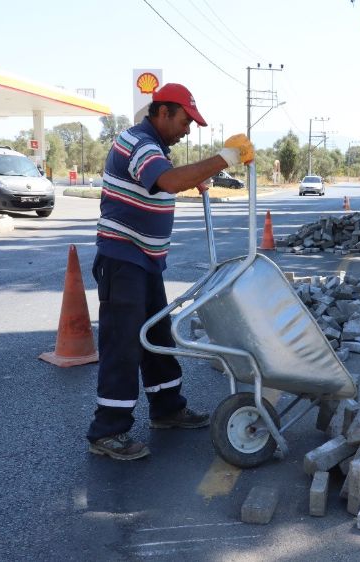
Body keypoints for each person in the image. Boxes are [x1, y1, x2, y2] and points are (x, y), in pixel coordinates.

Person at [88, 83, 255, 461]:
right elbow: (167, 180)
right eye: (185, 121)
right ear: (162, 112)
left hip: (143, 260)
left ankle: (167, 409)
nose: (188, 129)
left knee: (157, 334)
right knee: (123, 342)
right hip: (123, 258)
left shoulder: (156, 148)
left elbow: (164, 180)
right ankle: (107, 431)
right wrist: (223, 157)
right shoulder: (139, 142)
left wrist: (191, 177)